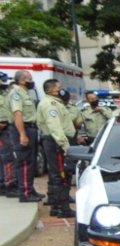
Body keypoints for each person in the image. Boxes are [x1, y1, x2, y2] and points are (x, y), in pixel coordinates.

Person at [37, 80, 78, 217]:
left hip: (56, 142)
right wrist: (64, 145)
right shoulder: (50, 105)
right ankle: (62, 208)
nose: (62, 90)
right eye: (59, 88)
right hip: (56, 143)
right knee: (62, 175)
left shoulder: (55, 103)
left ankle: (56, 207)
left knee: (59, 175)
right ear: (50, 90)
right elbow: (55, 127)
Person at [7, 70, 43, 202]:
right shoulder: (16, 93)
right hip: (22, 129)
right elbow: (18, 114)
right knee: (25, 162)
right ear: (22, 81)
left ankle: (30, 189)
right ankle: (25, 193)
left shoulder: (24, 93)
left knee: (31, 161)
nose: (31, 81)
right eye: (29, 79)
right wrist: (22, 134)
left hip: (30, 128)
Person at [0, 72, 16, 197]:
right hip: (2, 130)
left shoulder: (5, 94)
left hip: (7, 128)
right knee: (7, 158)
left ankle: (7, 183)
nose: (3, 83)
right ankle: (8, 184)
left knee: (7, 158)